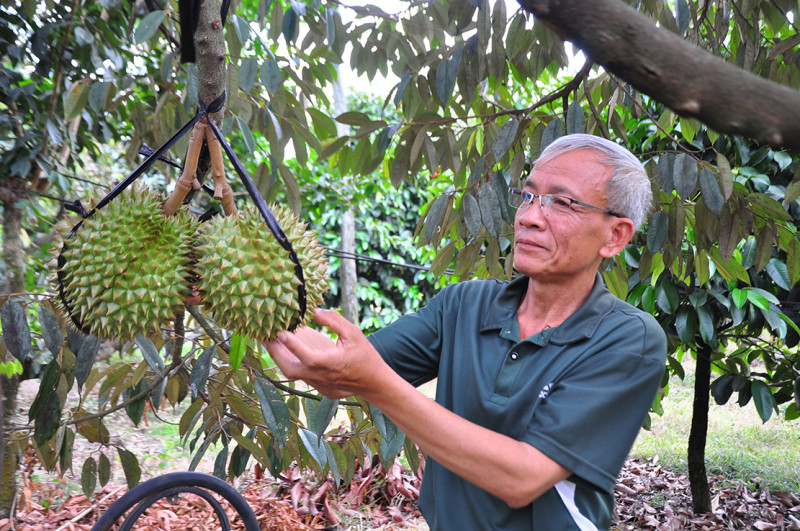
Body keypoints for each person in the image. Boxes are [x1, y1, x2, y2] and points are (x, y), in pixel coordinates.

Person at [265, 133, 667, 530]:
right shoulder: (465, 305)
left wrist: (376, 384)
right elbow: (340, 369)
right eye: (527, 196)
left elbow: (522, 478)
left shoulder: (629, 340)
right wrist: (247, 294)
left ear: (615, 236)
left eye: (561, 203)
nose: (528, 216)